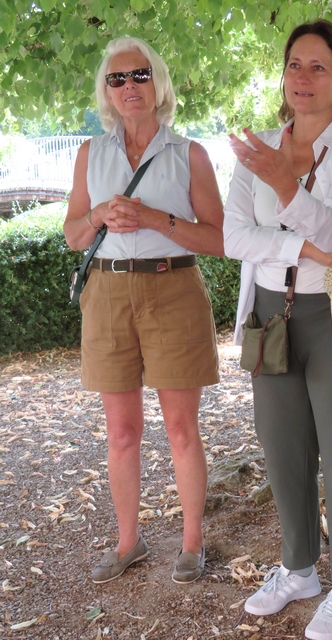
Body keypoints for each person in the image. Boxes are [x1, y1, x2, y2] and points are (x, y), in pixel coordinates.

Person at [224, 19, 332, 640]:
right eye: (295, 64)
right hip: (273, 317)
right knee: (283, 448)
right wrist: (301, 248)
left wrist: (281, 185)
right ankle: (299, 570)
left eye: (318, 66)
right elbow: (233, 237)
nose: (303, 77)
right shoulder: (258, 146)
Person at [64, 37, 224, 585]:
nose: (128, 87)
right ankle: (128, 541)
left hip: (172, 290)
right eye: (117, 79)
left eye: (138, 75)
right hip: (107, 295)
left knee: (181, 427)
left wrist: (155, 218)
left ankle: (192, 541)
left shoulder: (189, 154)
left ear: (157, 84)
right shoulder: (91, 154)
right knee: (121, 432)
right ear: (106, 93)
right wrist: (100, 217)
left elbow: (218, 238)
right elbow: (71, 235)